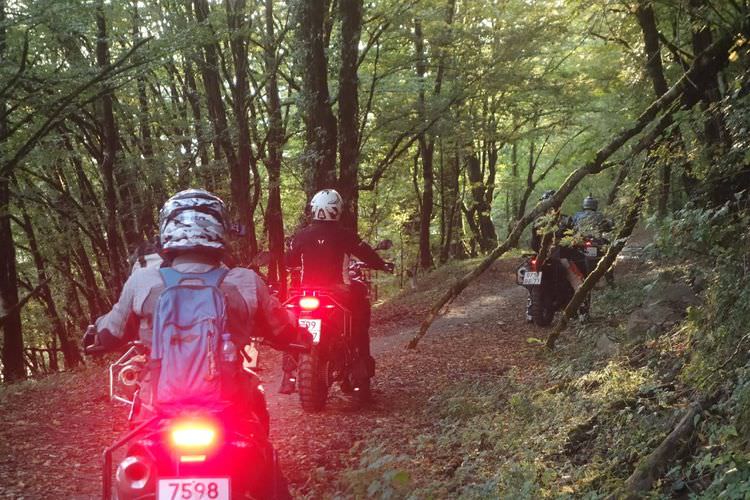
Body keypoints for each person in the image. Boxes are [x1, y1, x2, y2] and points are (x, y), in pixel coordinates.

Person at [83, 188, 300, 432]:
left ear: (167, 229)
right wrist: (297, 330)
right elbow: (282, 328)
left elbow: (111, 332)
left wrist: (96, 331)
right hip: (231, 405)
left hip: (156, 405)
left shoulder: (143, 281)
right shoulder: (245, 281)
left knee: (137, 453)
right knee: (259, 444)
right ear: (221, 228)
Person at [279, 188, 394, 394]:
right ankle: (359, 369)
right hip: (338, 292)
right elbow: (366, 253)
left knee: (292, 324)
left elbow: (289, 262)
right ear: (337, 210)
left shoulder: (302, 236)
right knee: (359, 321)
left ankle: (288, 374)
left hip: (307, 292)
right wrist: (382, 265)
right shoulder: (344, 235)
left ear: (314, 209)